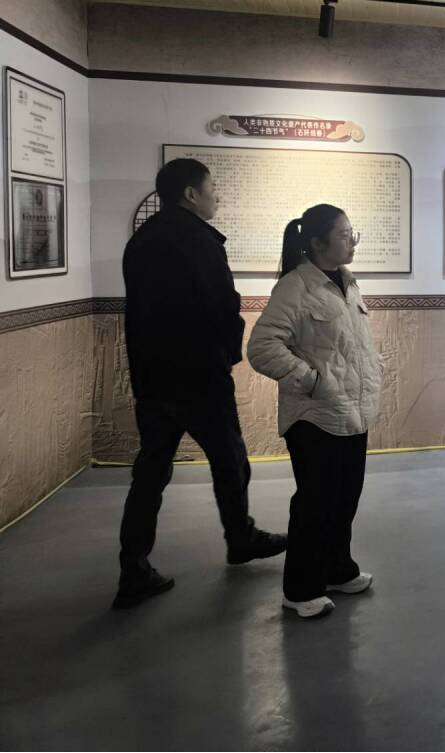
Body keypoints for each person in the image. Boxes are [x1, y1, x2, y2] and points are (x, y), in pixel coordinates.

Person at [114, 158, 286, 610]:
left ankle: (133, 568)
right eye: (212, 189)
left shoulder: (141, 241)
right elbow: (221, 306)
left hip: (153, 379)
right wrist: (226, 355)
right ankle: (240, 538)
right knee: (230, 461)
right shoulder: (200, 241)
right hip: (199, 377)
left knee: (150, 473)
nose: (217, 196)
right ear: (191, 194)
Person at [247, 205, 383, 620]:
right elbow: (262, 348)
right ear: (318, 242)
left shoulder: (347, 281)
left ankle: (337, 570)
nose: (352, 242)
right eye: (344, 234)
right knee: (316, 504)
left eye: (353, 233)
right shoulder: (295, 286)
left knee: (344, 499)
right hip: (315, 416)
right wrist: (311, 380)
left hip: (352, 412)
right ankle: (300, 588)